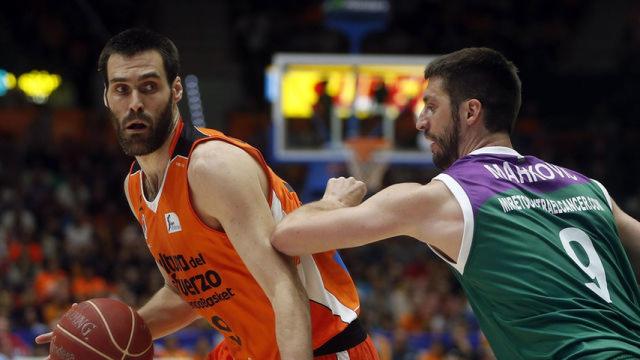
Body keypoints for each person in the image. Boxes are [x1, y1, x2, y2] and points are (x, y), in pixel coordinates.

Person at [272, 47, 640, 359]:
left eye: (431, 107)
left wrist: (334, 202)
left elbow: (288, 236)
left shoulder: (444, 198)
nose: (420, 122)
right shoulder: (590, 189)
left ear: (470, 112)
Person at [37, 28, 378, 360]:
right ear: (107, 98)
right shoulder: (135, 187)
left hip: (320, 347)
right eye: (122, 90)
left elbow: (284, 287)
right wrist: (96, 338)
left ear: (176, 91)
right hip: (246, 350)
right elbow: (187, 294)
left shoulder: (212, 168)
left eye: (149, 87)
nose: (135, 103)